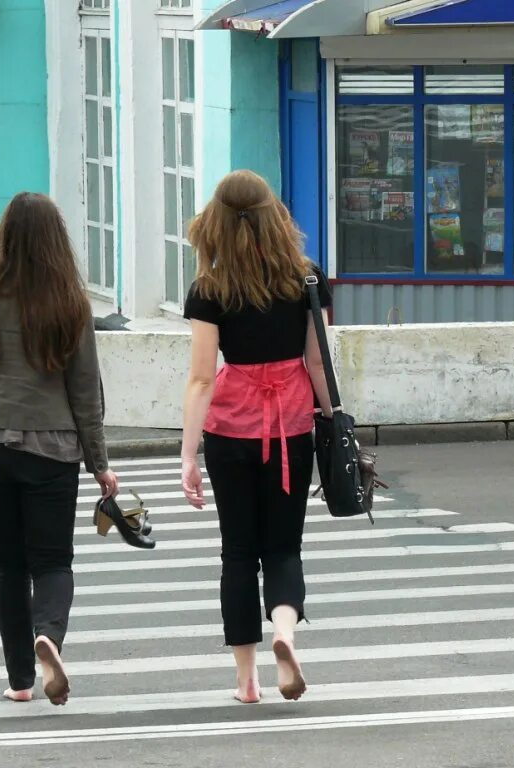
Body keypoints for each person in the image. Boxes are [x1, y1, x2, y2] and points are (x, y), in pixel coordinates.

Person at [0, 192, 119, 706]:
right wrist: (100, 464)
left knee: (10, 564)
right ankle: (49, 636)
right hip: (52, 450)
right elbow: (87, 394)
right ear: (56, 242)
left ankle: (20, 680)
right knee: (53, 562)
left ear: (7, 240)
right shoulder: (71, 303)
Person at [179, 169, 333, 704]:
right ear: (276, 216)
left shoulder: (209, 289)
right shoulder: (307, 278)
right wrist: (333, 423)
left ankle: (247, 681)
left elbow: (201, 377)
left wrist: (188, 455)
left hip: (230, 431)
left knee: (238, 553)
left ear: (215, 224)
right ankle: (285, 634)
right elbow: (317, 362)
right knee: (284, 548)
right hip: (290, 428)